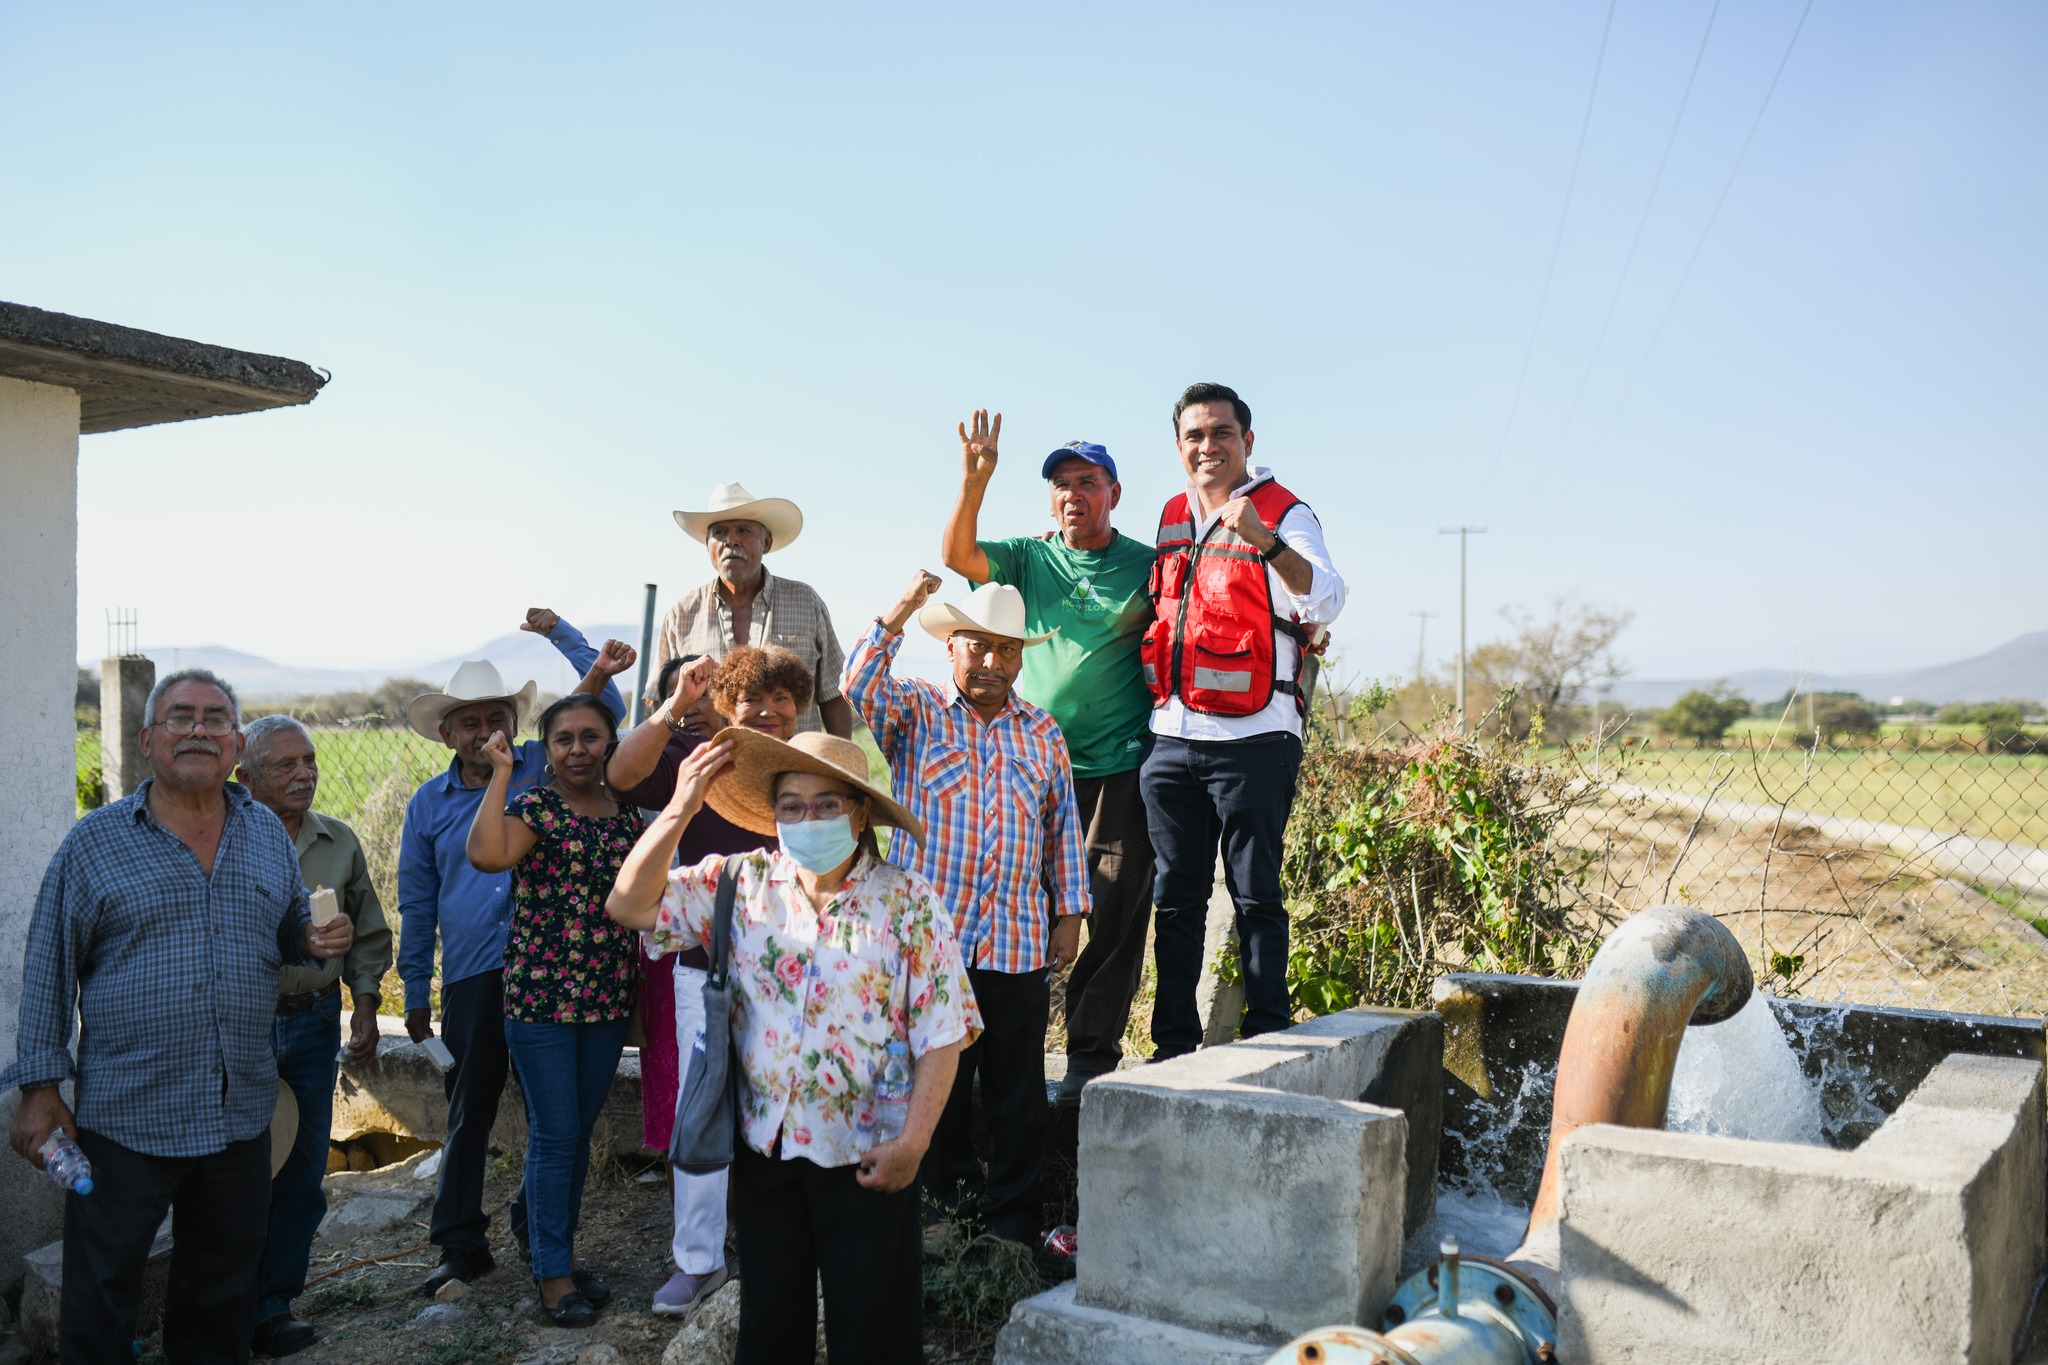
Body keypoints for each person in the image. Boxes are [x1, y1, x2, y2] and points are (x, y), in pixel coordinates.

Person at [3, 670, 355, 1364]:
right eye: (181, 716)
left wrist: (308, 938)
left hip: (238, 1107)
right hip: (128, 1114)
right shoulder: (95, 843)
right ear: (148, 740)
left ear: (236, 743)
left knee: (221, 1288)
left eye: (216, 718)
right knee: (103, 1290)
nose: (198, 728)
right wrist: (41, 1088)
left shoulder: (262, 833)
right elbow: (48, 962)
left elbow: (281, 924)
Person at [605, 728, 978, 1364]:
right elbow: (629, 904)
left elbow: (944, 1033)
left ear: (860, 814)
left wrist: (913, 1146)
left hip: (869, 1154)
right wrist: (680, 807)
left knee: (875, 1333)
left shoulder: (908, 902)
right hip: (764, 1150)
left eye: (827, 804)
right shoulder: (738, 883)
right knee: (770, 1328)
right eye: (792, 806)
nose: (808, 819)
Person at [843, 571, 1089, 1246]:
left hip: (1015, 942)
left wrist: (1069, 911)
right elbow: (856, 684)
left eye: (1006, 649)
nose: (991, 661)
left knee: (1018, 1091)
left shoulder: (1042, 732)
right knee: (937, 1089)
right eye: (976, 646)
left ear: (1020, 658)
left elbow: (1061, 825)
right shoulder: (916, 715)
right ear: (950, 649)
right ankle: (946, 1213)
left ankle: (1011, 1222)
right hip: (933, 946)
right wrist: (902, 606)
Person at [397, 610, 631, 1296]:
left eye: (494, 716)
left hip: (563, 969)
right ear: (447, 732)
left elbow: (597, 712)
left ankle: (539, 1229)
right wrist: (416, 988)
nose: (482, 731)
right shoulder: (427, 804)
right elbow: (417, 903)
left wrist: (567, 638)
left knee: (558, 1119)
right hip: (478, 971)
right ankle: (460, 1243)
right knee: (471, 1107)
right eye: (467, 721)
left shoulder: (539, 764)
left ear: (514, 723)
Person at [941, 411, 1159, 1103]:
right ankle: (1010, 1054)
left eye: (1087, 482)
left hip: (1121, 770)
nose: (1072, 494)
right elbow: (959, 556)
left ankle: (1090, 1058)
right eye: (1061, 484)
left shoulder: (1147, 564)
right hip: (1033, 767)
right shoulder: (1031, 559)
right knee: (1023, 912)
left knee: (1113, 917)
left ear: (1114, 493)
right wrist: (975, 480)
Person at [1140, 383, 1346, 1059]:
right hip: (1172, 738)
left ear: (1247, 442)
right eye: (1195, 436)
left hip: (1256, 737)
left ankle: (1265, 1034)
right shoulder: (1173, 514)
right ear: (1179, 448)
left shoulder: (1284, 510)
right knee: (1175, 901)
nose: (1208, 446)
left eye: (1221, 433)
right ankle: (1172, 1045)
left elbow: (1328, 595)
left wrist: (1264, 542)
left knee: (1256, 894)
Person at [604, 650, 783, 1318]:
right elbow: (620, 776)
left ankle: (777, 1246)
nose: (764, 711)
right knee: (702, 1107)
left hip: (794, 966)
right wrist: (674, 708)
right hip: (703, 964)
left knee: (783, 1107)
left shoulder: (809, 765)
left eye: (779, 698)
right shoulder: (694, 755)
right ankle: (697, 1261)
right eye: (748, 699)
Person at [465, 694, 644, 1326]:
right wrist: (504, 773)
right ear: (548, 747)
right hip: (541, 997)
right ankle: (552, 1276)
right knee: (558, 1133)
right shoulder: (536, 805)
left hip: (603, 995)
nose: (577, 749)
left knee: (573, 1134)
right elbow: (487, 854)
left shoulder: (626, 818)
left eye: (590, 737)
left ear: (609, 744)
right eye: (563, 739)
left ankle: (552, 1247)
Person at [234, 714, 394, 1358]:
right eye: (286, 765)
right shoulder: (223, 837)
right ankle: (222, 1303)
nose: (305, 774)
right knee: (235, 1170)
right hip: (241, 1023)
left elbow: (368, 928)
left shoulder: (339, 841)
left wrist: (365, 1003)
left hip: (312, 1020)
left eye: (310, 761)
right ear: (245, 777)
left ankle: (272, 1305)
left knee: (299, 1170)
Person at [657, 481, 855, 737]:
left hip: (797, 766)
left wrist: (838, 765)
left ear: (767, 542)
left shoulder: (805, 602)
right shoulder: (682, 613)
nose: (731, 541)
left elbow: (832, 693)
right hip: (712, 768)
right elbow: (661, 703)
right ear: (707, 544)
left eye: (744, 530)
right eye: (719, 532)